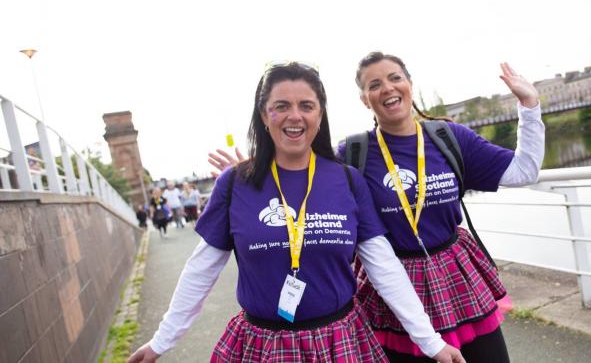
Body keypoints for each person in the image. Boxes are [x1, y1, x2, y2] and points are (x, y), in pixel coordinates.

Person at [210, 53, 545, 362]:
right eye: (374, 85)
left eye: (395, 77)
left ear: (409, 84)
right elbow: (303, 174)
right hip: (390, 288)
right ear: (364, 99)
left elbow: (524, 171)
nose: (387, 88)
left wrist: (529, 107)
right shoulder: (352, 153)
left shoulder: (450, 138)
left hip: (455, 278)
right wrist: (258, 177)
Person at [128, 62, 464, 363]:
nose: (295, 116)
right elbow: (200, 270)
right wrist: (162, 340)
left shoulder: (347, 180)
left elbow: (383, 267)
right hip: (263, 346)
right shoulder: (235, 184)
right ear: (264, 115)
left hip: (341, 342)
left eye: (307, 106)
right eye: (281, 106)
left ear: (320, 115)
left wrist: (430, 341)